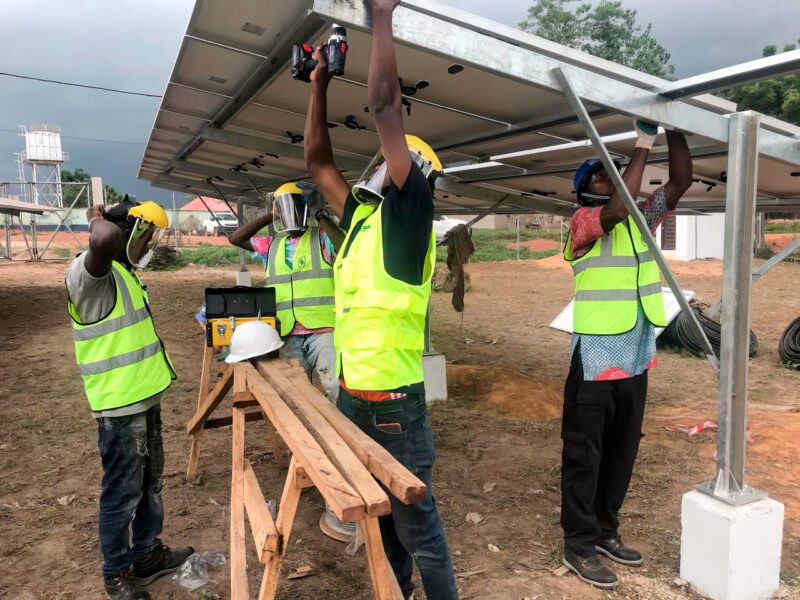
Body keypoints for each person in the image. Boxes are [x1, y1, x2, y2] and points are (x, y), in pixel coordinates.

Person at [304, 1, 458, 598]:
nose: (380, 168)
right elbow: (318, 165)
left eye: (395, 162)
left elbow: (385, 109)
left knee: (422, 536)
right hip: (354, 401)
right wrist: (319, 84)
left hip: (395, 409)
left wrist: (381, 16)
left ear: (416, 175)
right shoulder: (365, 221)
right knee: (385, 530)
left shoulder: (409, 217)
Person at [560, 122, 693, 588]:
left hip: (635, 354)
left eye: (611, 174)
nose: (611, 180)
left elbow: (679, 182)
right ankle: (578, 544)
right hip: (595, 358)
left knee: (621, 452)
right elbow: (616, 207)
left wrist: (674, 130)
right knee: (585, 455)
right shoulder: (581, 223)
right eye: (600, 177)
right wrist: (641, 143)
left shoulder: (639, 220)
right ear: (584, 192)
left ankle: (604, 531)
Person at [66, 197, 193, 600]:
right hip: (119, 409)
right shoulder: (89, 274)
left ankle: (147, 555)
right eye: (143, 236)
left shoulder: (121, 272)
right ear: (123, 234)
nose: (147, 246)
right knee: (122, 493)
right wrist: (97, 220)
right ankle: (116, 572)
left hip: (143, 400)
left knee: (150, 485)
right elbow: (102, 238)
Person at [227, 182, 353, 542]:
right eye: (284, 206)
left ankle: (339, 456)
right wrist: (271, 214)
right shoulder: (272, 245)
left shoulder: (321, 239)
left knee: (334, 392)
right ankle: (309, 459)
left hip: (323, 329)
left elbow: (346, 245)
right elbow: (236, 239)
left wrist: (321, 216)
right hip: (288, 334)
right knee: (295, 401)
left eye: (290, 206)